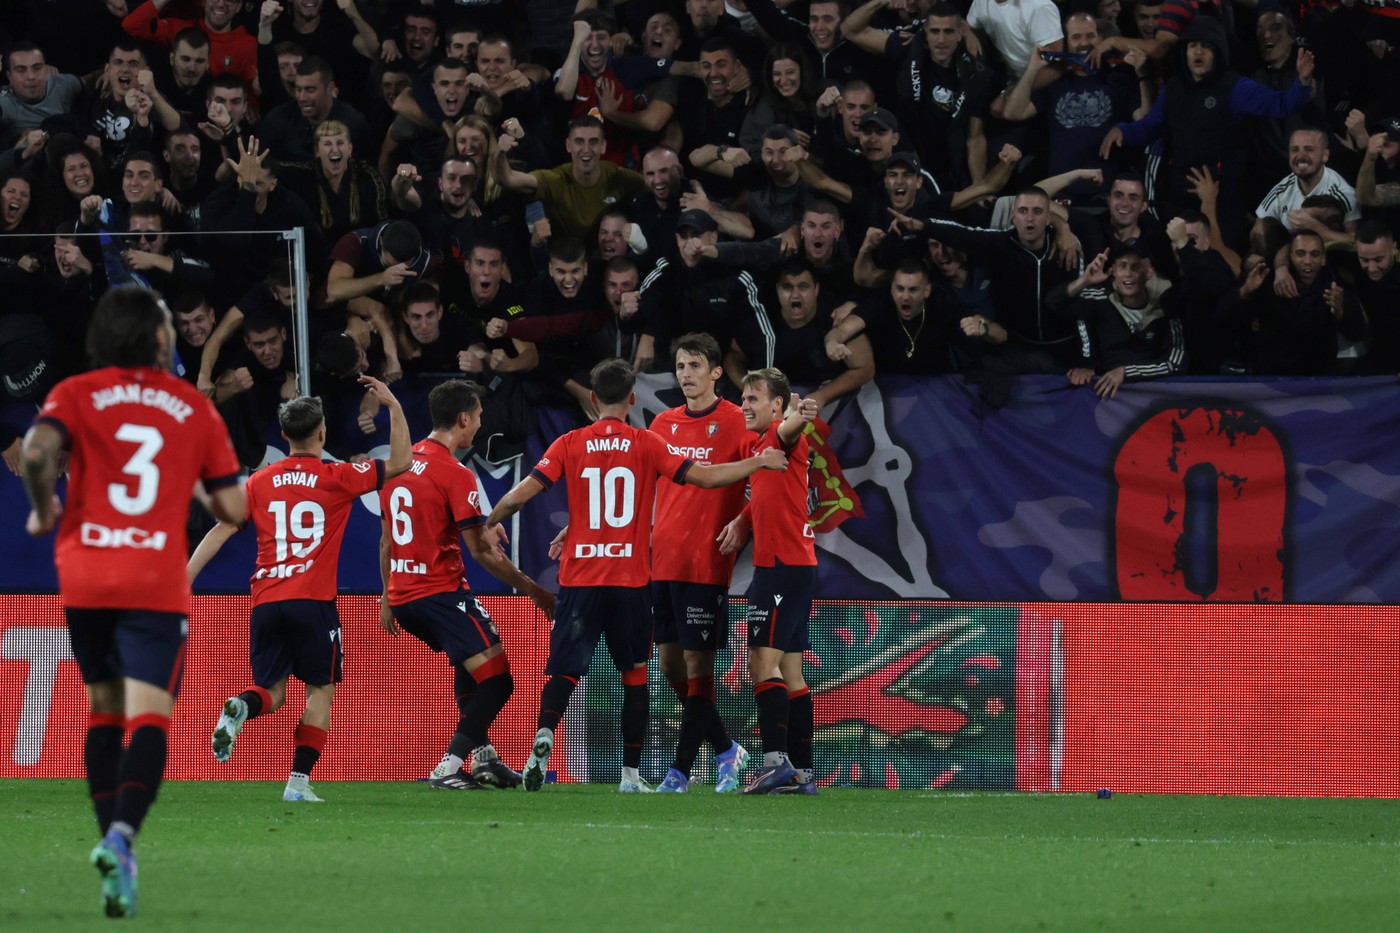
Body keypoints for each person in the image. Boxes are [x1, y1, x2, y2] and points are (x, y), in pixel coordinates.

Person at [20, 286, 245, 918]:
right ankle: (122, 837)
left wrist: (45, 510)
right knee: (148, 717)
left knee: (102, 709)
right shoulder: (190, 407)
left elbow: (38, 452)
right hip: (152, 576)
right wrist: (196, 483)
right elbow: (232, 508)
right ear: (157, 338)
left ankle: (113, 852)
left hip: (86, 572)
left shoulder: (76, 391)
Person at [485, 358, 787, 793]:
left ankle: (544, 733)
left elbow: (523, 494)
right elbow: (702, 477)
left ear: (592, 398)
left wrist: (489, 520)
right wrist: (757, 464)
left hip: (580, 579)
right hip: (629, 580)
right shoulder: (648, 441)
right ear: (631, 399)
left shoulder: (570, 442)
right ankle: (630, 776)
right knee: (636, 676)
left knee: (565, 672)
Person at [185, 379, 410, 802]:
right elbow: (400, 463)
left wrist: (185, 578)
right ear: (322, 433)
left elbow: (221, 529)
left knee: (272, 692)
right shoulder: (339, 475)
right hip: (313, 601)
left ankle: (240, 706)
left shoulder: (257, 482)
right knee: (319, 691)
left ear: (284, 435)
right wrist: (394, 406)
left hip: (266, 601)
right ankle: (298, 784)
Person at [379, 379, 555, 790]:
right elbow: (482, 553)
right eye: (477, 415)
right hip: (439, 593)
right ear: (462, 418)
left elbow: (387, 539)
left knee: (469, 667)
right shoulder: (454, 474)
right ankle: (448, 767)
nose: (480, 422)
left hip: (405, 598)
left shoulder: (399, 465)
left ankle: (485, 760)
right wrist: (536, 590)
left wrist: (387, 595)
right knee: (497, 680)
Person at [649, 333, 753, 793]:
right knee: (671, 666)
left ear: (715, 372)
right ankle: (728, 748)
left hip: (706, 561)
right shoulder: (662, 424)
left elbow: (768, 478)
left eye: (694, 366)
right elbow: (637, 481)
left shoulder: (737, 421)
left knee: (697, 667)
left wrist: (745, 522)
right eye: (680, 366)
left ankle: (680, 771)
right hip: (662, 559)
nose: (685, 375)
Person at [717, 368, 821, 794]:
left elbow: (794, 426)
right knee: (791, 672)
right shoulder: (762, 445)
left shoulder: (780, 434)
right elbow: (765, 496)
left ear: (776, 406)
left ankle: (775, 763)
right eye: (743, 398)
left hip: (780, 568)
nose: (744, 405)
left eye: (754, 398)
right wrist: (743, 521)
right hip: (793, 565)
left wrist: (801, 412)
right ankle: (802, 773)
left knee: (762, 662)